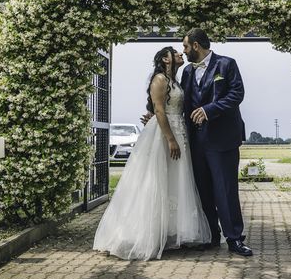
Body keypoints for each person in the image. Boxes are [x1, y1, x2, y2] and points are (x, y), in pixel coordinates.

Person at [93, 47, 211, 260]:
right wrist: (171, 139)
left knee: (175, 180)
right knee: (156, 179)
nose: (180, 55)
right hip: (164, 135)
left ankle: (169, 231)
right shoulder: (159, 79)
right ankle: (148, 232)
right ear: (166, 59)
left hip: (178, 129)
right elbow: (159, 110)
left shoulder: (173, 79)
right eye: (176, 53)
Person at [180, 28, 253, 257]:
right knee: (203, 190)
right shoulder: (187, 72)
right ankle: (211, 235)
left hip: (222, 139)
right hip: (196, 140)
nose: (183, 51)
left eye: (185, 46)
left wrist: (209, 110)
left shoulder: (227, 64)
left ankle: (234, 239)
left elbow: (236, 94)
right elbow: (182, 102)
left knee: (226, 190)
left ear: (196, 46)